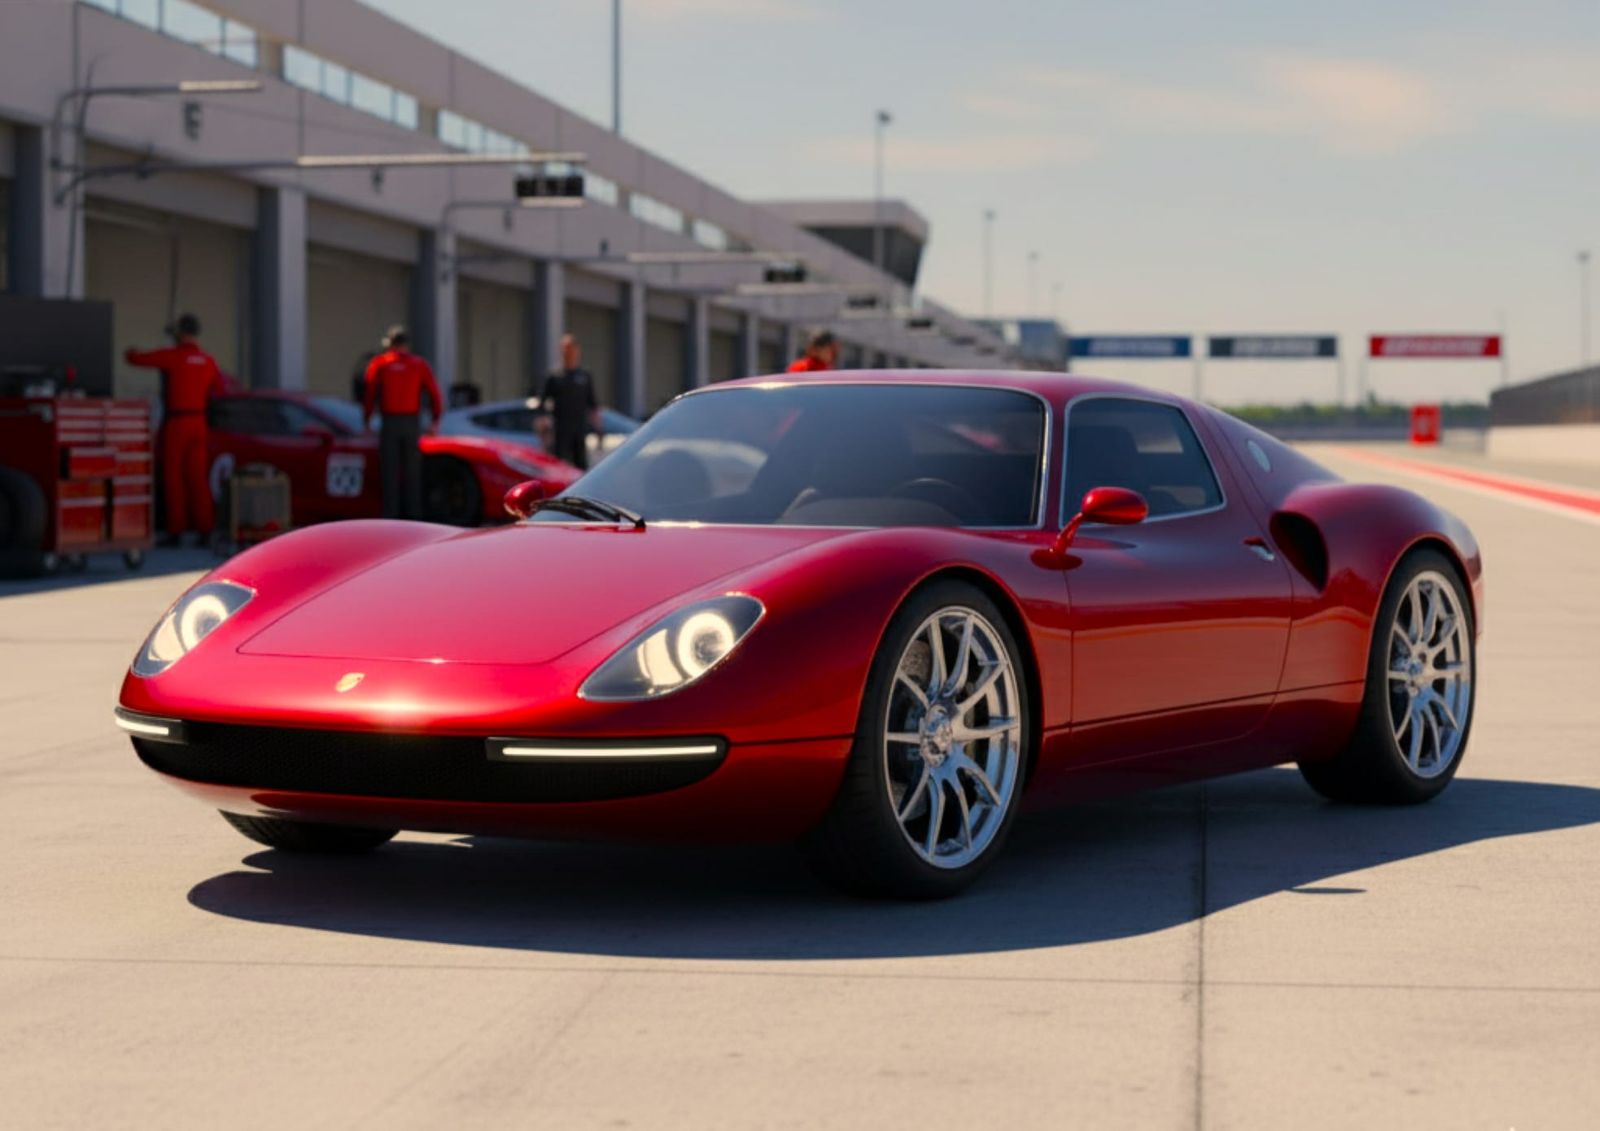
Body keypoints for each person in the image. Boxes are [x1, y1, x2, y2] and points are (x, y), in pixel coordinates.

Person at [125, 313, 225, 546]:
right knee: (198, 479)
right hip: (199, 424)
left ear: (180, 333)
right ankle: (205, 530)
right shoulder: (208, 360)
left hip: (177, 423)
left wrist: (130, 352)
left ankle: (176, 530)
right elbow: (219, 387)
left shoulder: (173, 356)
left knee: (174, 478)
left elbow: (137, 359)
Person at [362, 325, 443, 520]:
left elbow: (369, 393)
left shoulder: (380, 364)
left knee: (389, 474)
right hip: (411, 422)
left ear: (390, 344)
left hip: (390, 422)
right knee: (412, 473)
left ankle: (391, 517)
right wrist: (435, 420)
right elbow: (435, 394)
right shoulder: (418, 364)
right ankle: (414, 517)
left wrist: (367, 419)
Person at [538, 333, 602, 470]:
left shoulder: (584, 376)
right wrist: (544, 430)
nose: (567, 352)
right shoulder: (554, 376)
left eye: (570, 348)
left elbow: (593, 404)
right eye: (564, 348)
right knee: (559, 467)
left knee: (581, 468)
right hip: (560, 431)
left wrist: (599, 430)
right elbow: (542, 404)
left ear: (577, 350)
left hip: (580, 430)